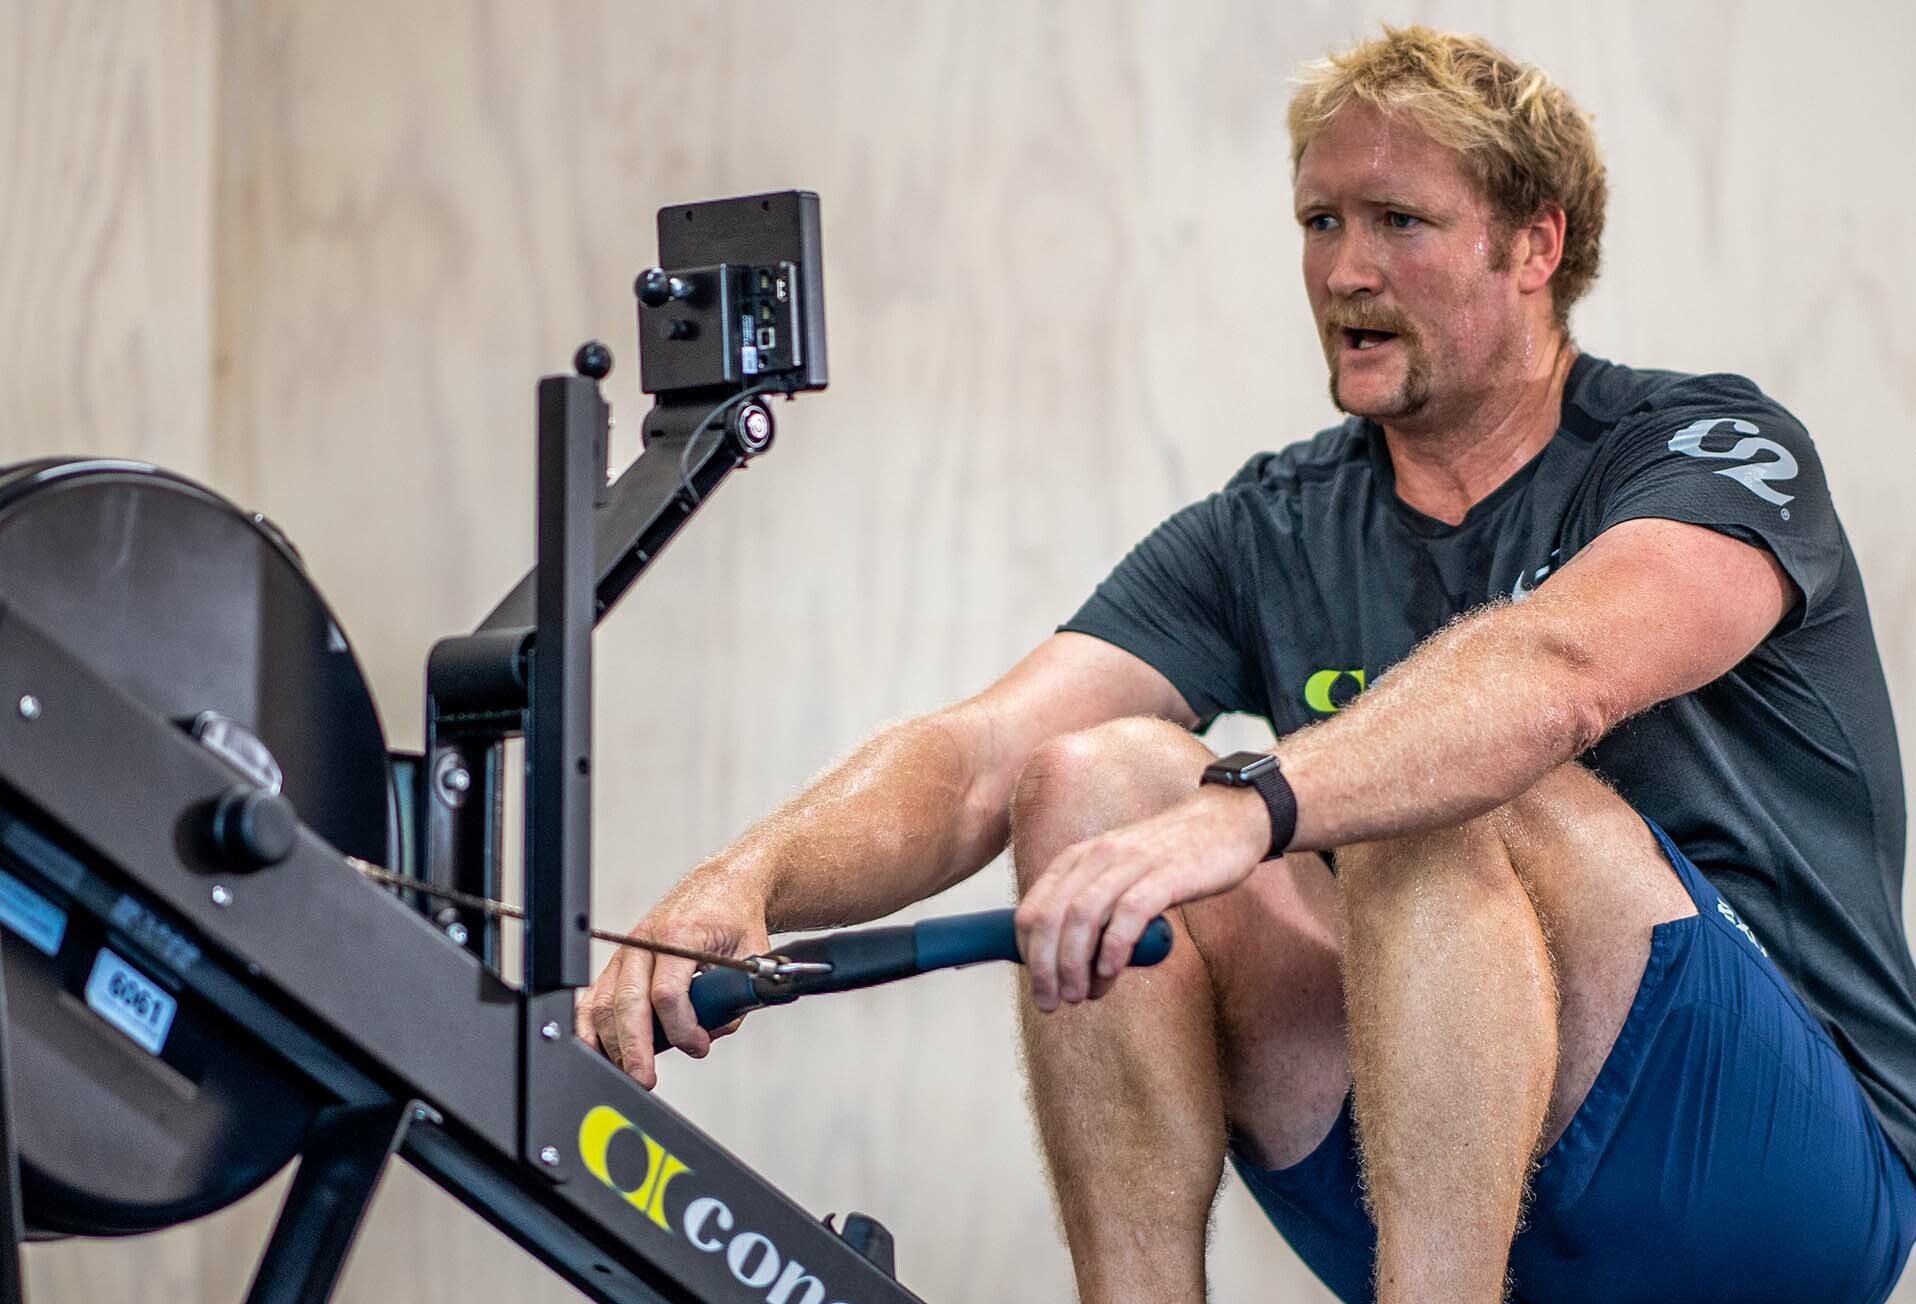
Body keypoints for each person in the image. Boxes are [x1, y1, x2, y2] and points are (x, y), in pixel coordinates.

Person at [579, 25, 1916, 1303]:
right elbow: (977, 755)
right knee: (1091, 778)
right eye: (1320, 222)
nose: (1344, 271)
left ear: (1534, 245)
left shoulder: (1706, 446)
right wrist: (746, 878)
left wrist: (1258, 802)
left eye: (1400, 221)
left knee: (1430, 767)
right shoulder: (1271, 524)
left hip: (1765, 1171)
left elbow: (1558, 670)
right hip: (1446, 1154)